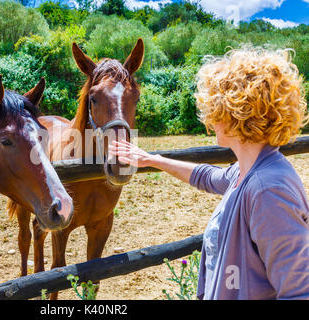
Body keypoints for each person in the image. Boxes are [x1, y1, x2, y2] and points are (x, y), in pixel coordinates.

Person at [109, 47, 309, 300]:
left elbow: (298, 292)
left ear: (236, 114)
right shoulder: (248, 170)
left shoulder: (268, 190)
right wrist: (152, 159)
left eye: (216, 108)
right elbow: (206, 176)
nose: (210, 119)